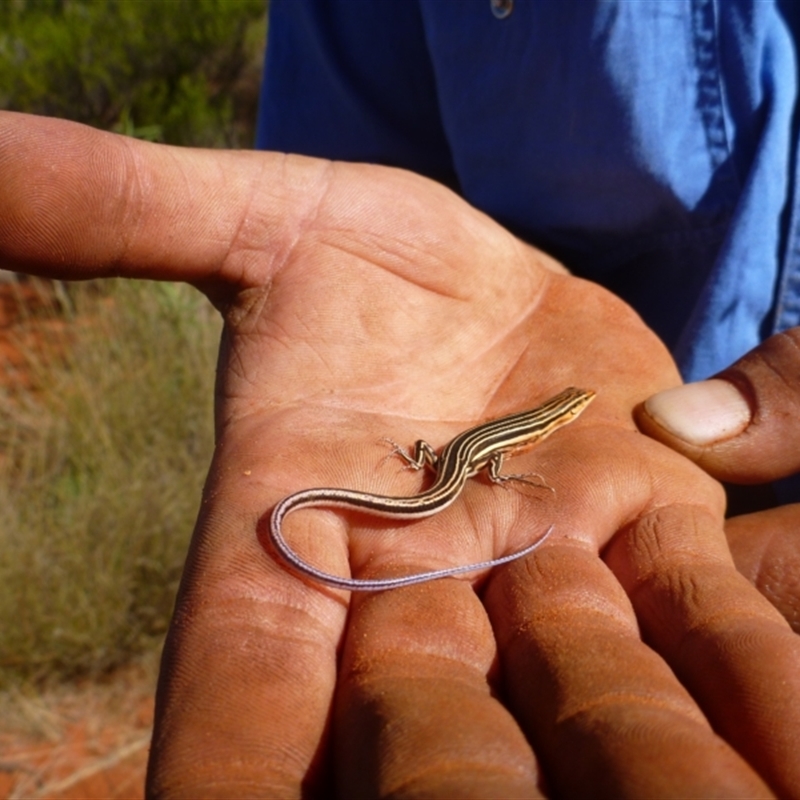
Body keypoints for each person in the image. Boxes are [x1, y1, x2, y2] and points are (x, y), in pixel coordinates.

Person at [0, 4, 798, 798]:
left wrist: (447, 463)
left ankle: (313, 511)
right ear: (559, 417)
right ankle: (308, 515)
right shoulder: (523, 438)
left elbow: (484, 452)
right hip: (454, 476)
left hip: (477, 472)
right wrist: (500, 476)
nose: (566, 415)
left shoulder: (530, 429)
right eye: (565, 412)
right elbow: (492, 459)